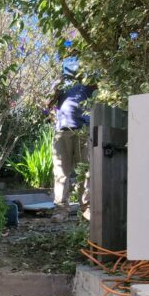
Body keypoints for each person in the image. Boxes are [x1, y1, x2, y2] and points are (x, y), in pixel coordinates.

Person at [48, 62, 95, 220]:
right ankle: (61, 210)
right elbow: (48, 103)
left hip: (83, 130)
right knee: (61, 173)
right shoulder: (61, 83)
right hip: (62, 131)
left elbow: (101, 94)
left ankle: (86, 208)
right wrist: (57, 85)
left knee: (85, 172)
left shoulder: (89, 80)